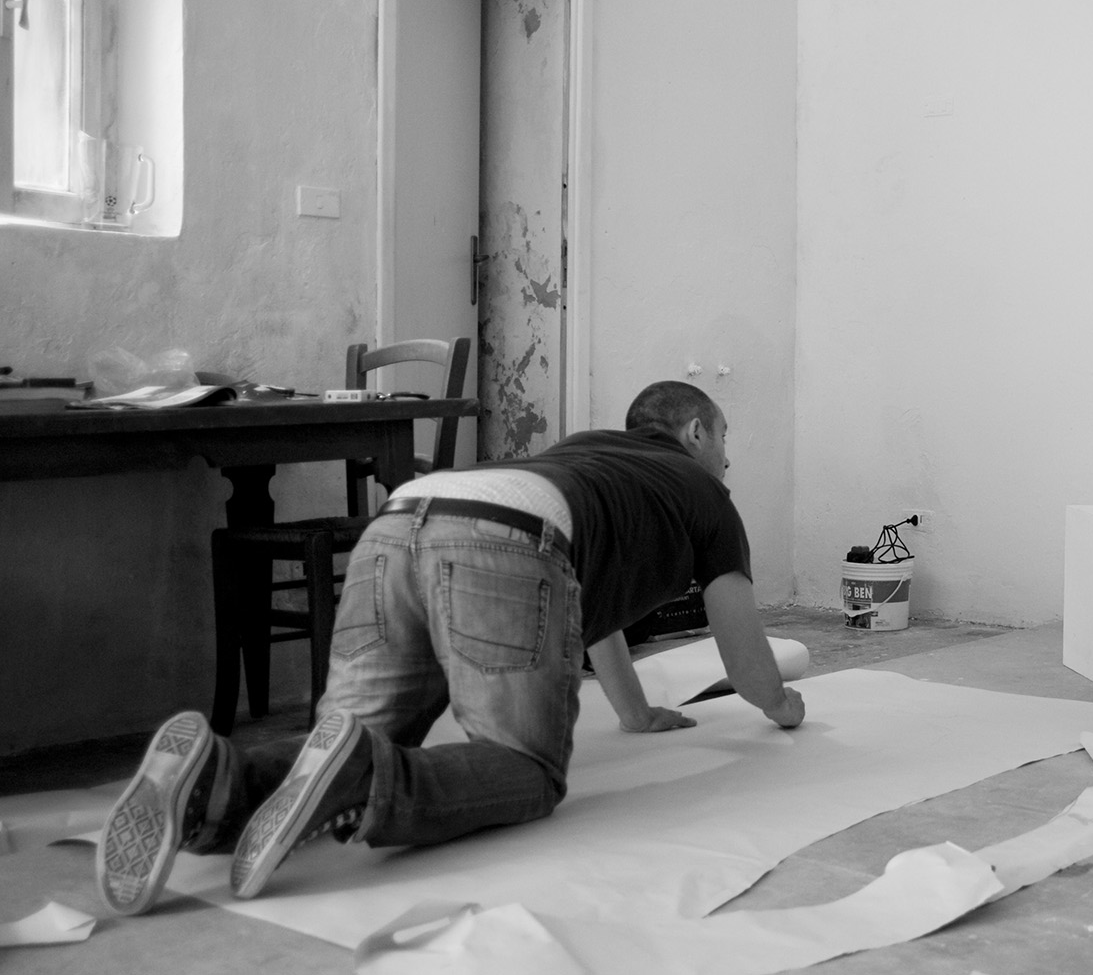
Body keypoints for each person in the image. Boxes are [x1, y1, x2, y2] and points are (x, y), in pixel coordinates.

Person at [96, 381, 804, 914]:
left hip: (402, 518)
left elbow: (586, 609)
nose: (728, 455)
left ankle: (217, 783)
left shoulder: (590, 455)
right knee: (526, 768)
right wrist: (784, 706)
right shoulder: (707, 496)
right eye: (724, 437)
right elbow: (746, 666)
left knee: (353, 737)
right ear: (694, 432)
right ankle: (367, 779)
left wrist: (636, 713)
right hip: (504, 539)